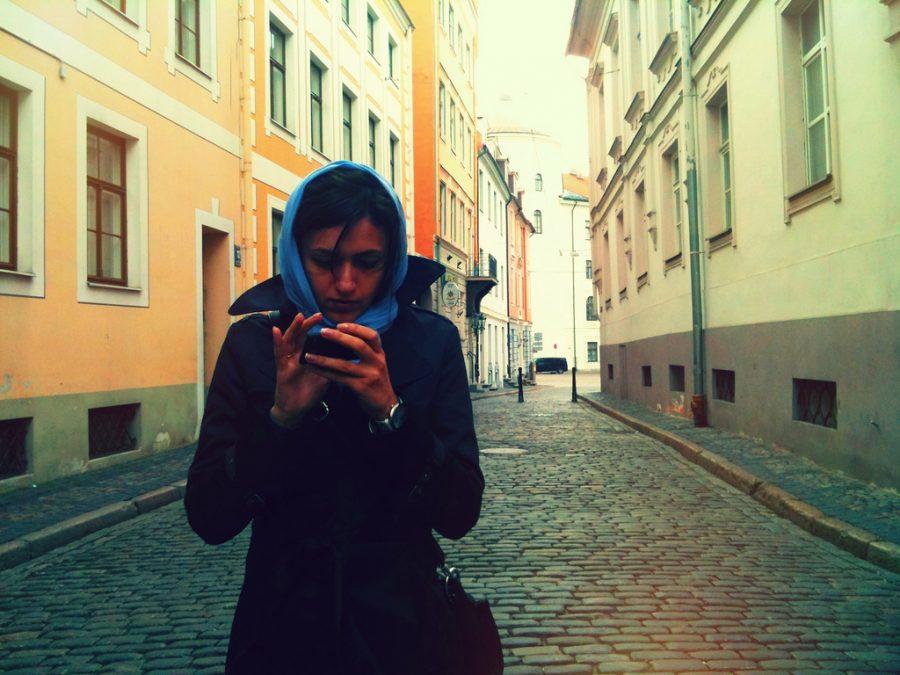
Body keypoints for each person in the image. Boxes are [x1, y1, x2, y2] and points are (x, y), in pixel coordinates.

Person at [184, 161, 485, 673]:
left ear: (391, 262)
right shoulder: (255, 345)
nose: (345, 283)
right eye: (324, 260)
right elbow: (210, 516)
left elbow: (460, 512)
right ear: (295, 255)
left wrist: (391, 414)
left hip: (406, 633)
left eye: (367, 262)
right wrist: (280, 420)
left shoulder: (429, 342)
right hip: (283, 632)